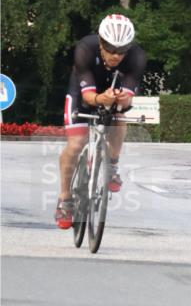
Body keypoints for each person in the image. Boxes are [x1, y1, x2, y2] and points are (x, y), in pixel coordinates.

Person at [54, 14, 146, 229]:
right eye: (111, 49)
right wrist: (100, 99)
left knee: (119, 116)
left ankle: (112, 164)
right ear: (101, 43)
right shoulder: (86, 48)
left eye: (122, 50)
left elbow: (128, 97)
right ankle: (65, 199)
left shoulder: (136, 57)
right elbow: (88, 98)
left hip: (114, 91)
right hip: (83, 91)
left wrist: (121, 101)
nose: (116, 55)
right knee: (76, 144)